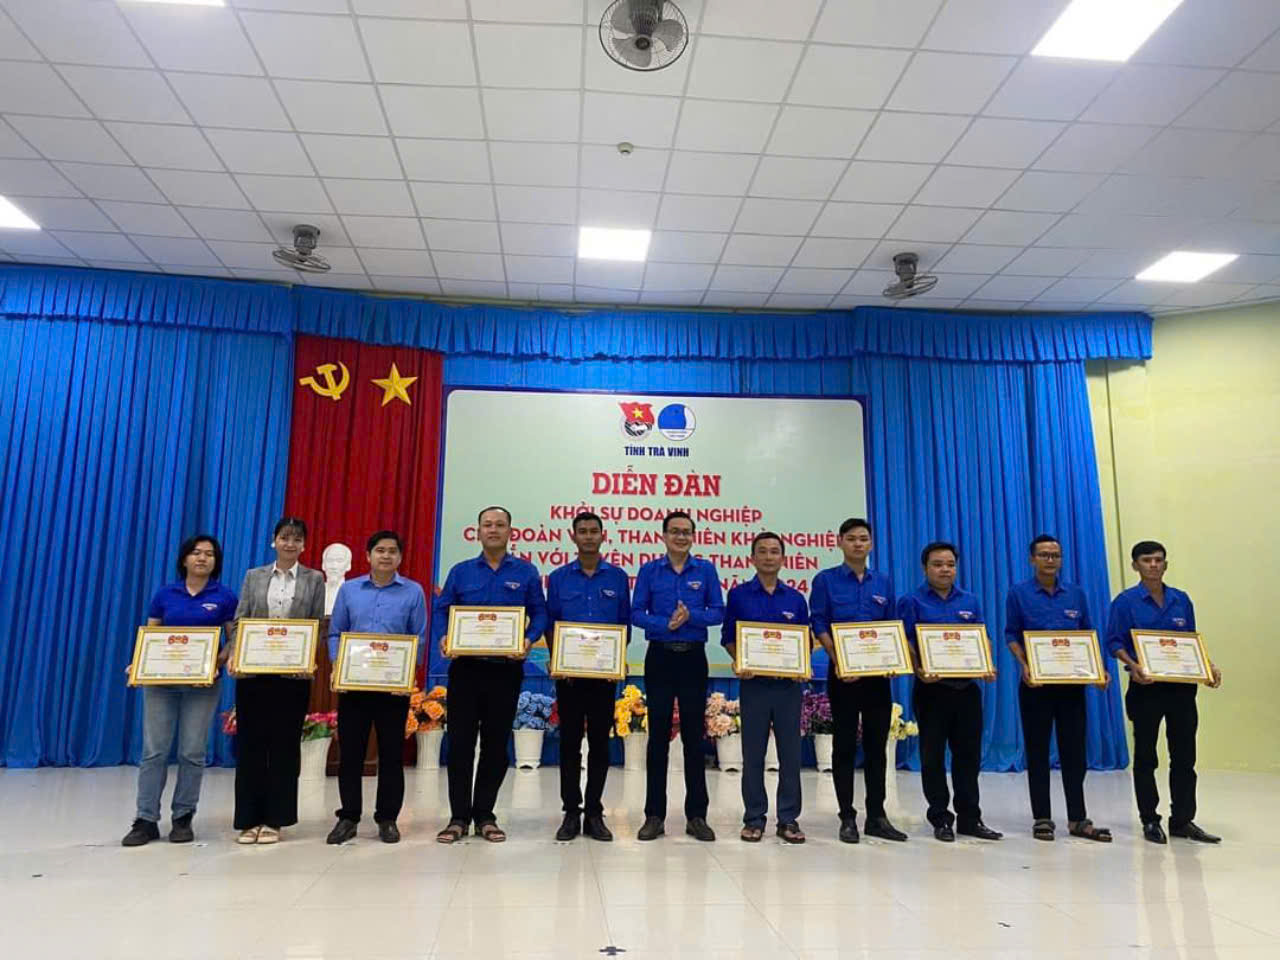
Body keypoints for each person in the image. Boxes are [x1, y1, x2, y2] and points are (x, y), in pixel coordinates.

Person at [433, 506, 547, 844]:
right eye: (487, 525)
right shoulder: (461, 571)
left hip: (505, 670)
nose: (493, 530)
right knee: (460, 744)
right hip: (466, 669)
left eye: (500, 525)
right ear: (478, 532)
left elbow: (540, 612)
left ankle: (485, 814)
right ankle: (458, 817)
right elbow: (442, 610)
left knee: (496, 746)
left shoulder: (526, 572)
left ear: (511, 531)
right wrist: (444, 635)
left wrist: (528, 639)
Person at [122, 534, 238, 847]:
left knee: (192, 751)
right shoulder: (165, 594)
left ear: (216, 561)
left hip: (202, 685)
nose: (202, 558)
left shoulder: (225, 596)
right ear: (184, 558)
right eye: (196, 553)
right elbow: (151, 635)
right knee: (154, 751)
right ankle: (145, 819)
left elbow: (233, 639)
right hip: (161, 683)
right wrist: (139, 663)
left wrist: (217, 661)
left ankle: (183, 816)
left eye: (209, 554)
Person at [1106, 540, 1222, 844]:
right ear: (1135, 565)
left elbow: (1191, 642)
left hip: (1182, 690)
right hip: (1146, 689)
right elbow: (1114, 642)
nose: (1153, 565)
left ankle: (1183, 820)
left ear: (1165, 565)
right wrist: (1133, 665)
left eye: (1158, 560)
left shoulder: (1181, 600)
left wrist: (1208, 667)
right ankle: (1149, 819)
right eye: (1147, 560)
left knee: (1184, 756)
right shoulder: (1125, 602)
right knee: (1146, 757)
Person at [1005, 535, 1111, 843]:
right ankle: (1042, 817)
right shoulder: (1019, 593)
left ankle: (1078, 818)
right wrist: (1024, 665)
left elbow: (1087, 635)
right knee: (1037, 752)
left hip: (1071, 687)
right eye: (1044, 555)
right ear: (1032, 559)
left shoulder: (1076, 594)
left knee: (1074, 753)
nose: (1050, 560)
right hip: (1035, 685)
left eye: (1055, 555)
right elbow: (1011, 634)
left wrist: (1098, 669)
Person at [326, 530, 427, 845]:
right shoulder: (350, 590)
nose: (386, 556)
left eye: (392, 551)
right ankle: (348, 817)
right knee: (351, 754)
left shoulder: (413, 592)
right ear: (368, 555)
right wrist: (337, 665)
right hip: (354, 686)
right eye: (380, 550)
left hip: (392, 688)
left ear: (400, 557)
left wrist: (407, 674)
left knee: (392, 754)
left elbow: (419, 638)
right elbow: (335, 633)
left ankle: (388, 819)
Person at [228, 517, 325, 845]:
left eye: (297, 539)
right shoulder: (253, 576)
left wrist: (306, 659)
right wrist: (236, 655)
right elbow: (240, 621)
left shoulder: (314, 578)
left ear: (304, 545)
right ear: (274, 541)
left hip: (292, 676)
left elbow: (315, 625)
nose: (290, 544)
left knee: (285, 747)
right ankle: (248, 819)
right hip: (253, 674)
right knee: (251, 746)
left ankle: (276, 819)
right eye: (285, 537)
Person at [810, 518, 907, 844]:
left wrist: (893, 659)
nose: (857, 544)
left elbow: (891, 624)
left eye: (863, 538)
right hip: (844, 676)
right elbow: (819, 622)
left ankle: (877, 816)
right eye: (851, 538)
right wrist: (838, 659)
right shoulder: (825, 580)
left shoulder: (883, 582)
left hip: (877, 677)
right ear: (840, 542)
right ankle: (847, 816)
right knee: (844, 747)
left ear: (871, 544)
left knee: (878, 747)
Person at [899, 541, 1002, 843]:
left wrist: (988, 664)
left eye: (950, 564)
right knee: (932, 757)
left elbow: (982, 637)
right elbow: (905, 641)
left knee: (968, 757)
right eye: (937, 564)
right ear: (925, 568)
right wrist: (919, 669)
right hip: (932, 690)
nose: (945, 570)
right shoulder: (911, 601)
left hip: (967, 689)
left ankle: (970, 818)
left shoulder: (970, 600)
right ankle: (940, 817)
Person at [631, 510, 724, 842]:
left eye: (686, 532)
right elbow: (635, 613)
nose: (681, 537)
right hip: (659, 656)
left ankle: (697, 816)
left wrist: (690, 617)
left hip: (693, 658)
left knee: (693, 738)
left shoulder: (706, 570)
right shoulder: (649, 570)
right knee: (657, 737)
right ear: (664, 536)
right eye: (675, 531)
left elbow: (718, 611)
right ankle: (654, 815)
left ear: (693, 536)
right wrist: (665, 624)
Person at [546, 511, 630, 842]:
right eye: (582, 531)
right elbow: (552, 623)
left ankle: (594, 812)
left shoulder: (618, 577)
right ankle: (571, 811)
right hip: (569, 676)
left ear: (603, 535)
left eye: (594, 531)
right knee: (569, 744)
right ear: (573, 536)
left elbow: (624, 624)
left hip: (603, 677)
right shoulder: (558, 577)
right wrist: (558, 660)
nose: (589, 536)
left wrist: (616, 661)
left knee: (600, 744)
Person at [722, 532, 810, 844]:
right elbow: (728, 637)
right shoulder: (738, 596)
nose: (769, 557)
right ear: (752, 558)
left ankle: (788, 819)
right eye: (762, 551)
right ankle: (754, 818)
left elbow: (804, 640)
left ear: (783, 558)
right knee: (753, 755)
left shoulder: (796, 599)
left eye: (775, 551)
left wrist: (801, 666)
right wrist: (740, 661)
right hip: (754, 686)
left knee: (790, 756)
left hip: (788, 689)